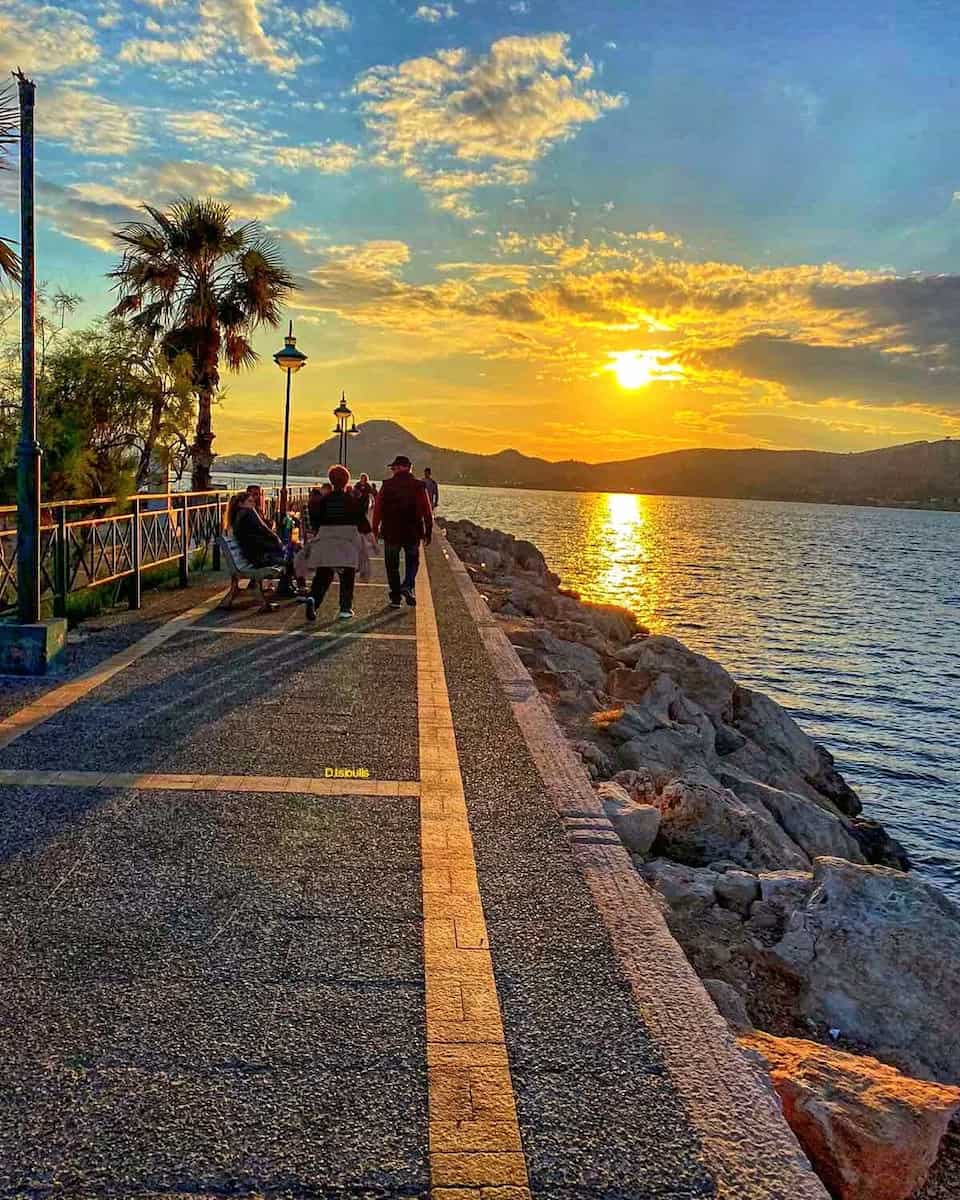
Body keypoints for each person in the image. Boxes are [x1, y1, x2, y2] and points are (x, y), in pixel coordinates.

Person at [302, 465, 370, 621]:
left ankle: (313, 598)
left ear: (331, 480)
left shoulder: (324, 501)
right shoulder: (351, 500)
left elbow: (316, 522)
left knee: (323, 575)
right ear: (347, 481)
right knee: (347, 575)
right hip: (346, 544)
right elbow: (361, 520)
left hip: (326, 543)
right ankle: (345, 608)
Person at [372, 454, 433, 608]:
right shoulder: (419, 486)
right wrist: (428, 531)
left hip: (391, 531)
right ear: (409, 468)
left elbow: (377, 509)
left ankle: (395, 598)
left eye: (393, 468)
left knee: (391, 565)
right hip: (413, 531)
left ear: (400, 468)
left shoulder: (387, 485)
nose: (392, 470)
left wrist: (374, 530)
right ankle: (407, 585)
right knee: (413, 562)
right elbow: (427, 510)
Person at [228, 491, 285, 569]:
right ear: (240, 504)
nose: (253, 504)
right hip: (260, 558)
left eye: (253, 502)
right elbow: (263, 528)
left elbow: (259, 532)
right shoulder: (248, 513)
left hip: (255, 557)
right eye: (249, 501)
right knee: (292, 560)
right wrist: (277, 539)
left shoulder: (238, 517)